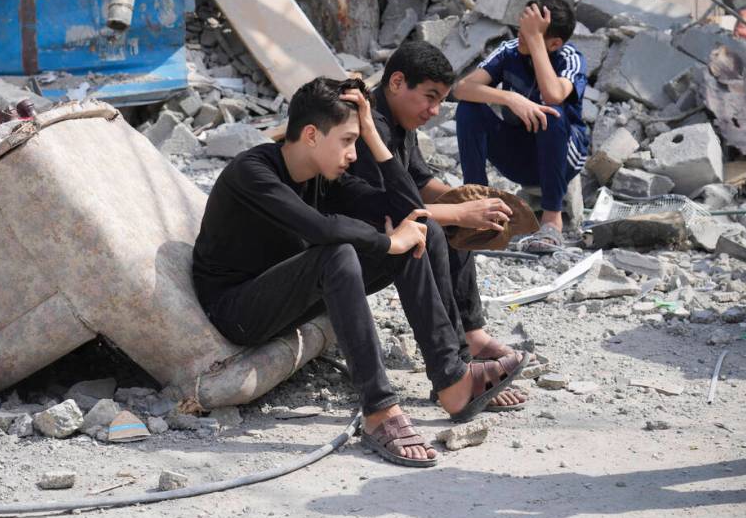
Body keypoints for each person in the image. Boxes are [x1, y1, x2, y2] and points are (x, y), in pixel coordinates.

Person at [192, 76, 526, 467]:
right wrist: (387, 243)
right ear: (313, 135)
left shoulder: (324, 177)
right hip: (238, 310)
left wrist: (370, 132)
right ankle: (379, 411)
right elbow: (321, 229)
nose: (354, 154)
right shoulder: (252, 172)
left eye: (357, 141)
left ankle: (451, 379)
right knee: (338, 255)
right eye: (348, 141)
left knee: (425, 231)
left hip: (288, 294)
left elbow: (407, 210)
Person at [337, 40, 529, 410]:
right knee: (435, 231)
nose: (434, 110)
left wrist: (467, 200)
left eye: (440, 100)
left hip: (381, 223)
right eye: (429, 97)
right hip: (352, 244)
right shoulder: (368, 125)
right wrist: (458, 213)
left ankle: (469, 341)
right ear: (396, 83)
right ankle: (454, 369)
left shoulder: (401, 120)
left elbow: (419, 184)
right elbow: (390, 210)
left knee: (459, 222)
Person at [453, 0, 589, 252]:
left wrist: (536, 40)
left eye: (529, 33)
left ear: (554, 43)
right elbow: (461, 89)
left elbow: (553, 95)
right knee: (469, 109)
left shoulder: (570, 58)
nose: (520, 37)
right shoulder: (510, 51)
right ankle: (478, 204)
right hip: (519, 157)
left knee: (551, 112)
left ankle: (552, 221)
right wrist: (509, 97)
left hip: (563, 157)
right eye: (521, 29)